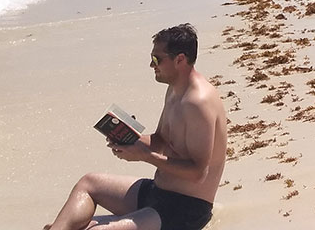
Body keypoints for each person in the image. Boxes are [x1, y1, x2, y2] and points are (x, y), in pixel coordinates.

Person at [45, 24, 226, 230]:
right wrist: (129, 139)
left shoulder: (198, 102)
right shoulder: (175, 90)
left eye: (157, 59)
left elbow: (197, 173)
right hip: (157, 192)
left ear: (180, 60)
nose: (151, 65)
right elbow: (161, 140)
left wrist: (145, 156)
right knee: (88, 183)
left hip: (184, 209)